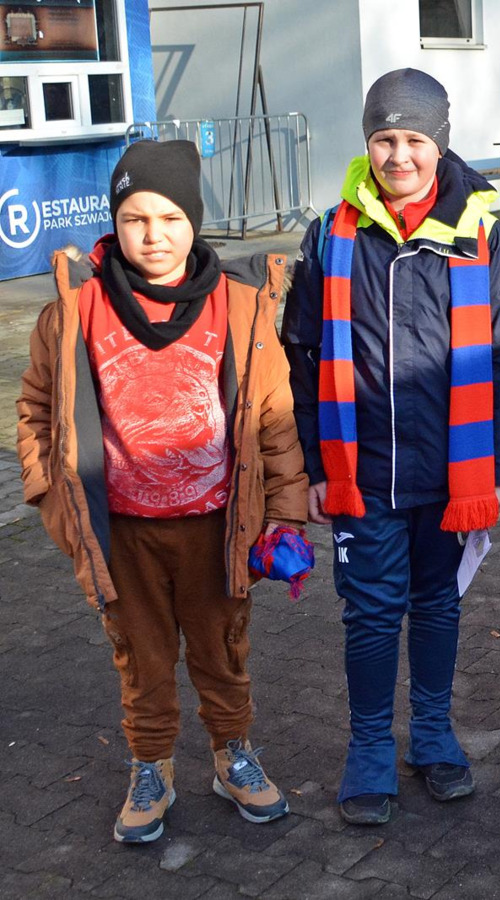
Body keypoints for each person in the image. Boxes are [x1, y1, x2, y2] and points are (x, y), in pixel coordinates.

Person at [16, 139, 307, 843]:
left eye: (171, 218)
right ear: (114, 223)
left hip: (216, 526)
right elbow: (36, 411)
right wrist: (55, 505)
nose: (154, 235)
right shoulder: (76, 309)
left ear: (194, 221)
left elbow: (273, 418)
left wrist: (285, 515)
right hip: (123, 532)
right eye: (136, 219)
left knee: (221, 651)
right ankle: (151, 765)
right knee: (140, 659)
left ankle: (232, 755)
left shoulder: (238, 306)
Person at [282, 69, 500, 825]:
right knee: (369, 612)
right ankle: (367, 749)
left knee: (437, 604)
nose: (398, 156)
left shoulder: (480, 230)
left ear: (440, 143)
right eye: (383, 139)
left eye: (414, 139)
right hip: (363, 467)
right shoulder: (331, 232)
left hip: (453, 468)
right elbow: (301, 354)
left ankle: (432, 734)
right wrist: (316, 464)